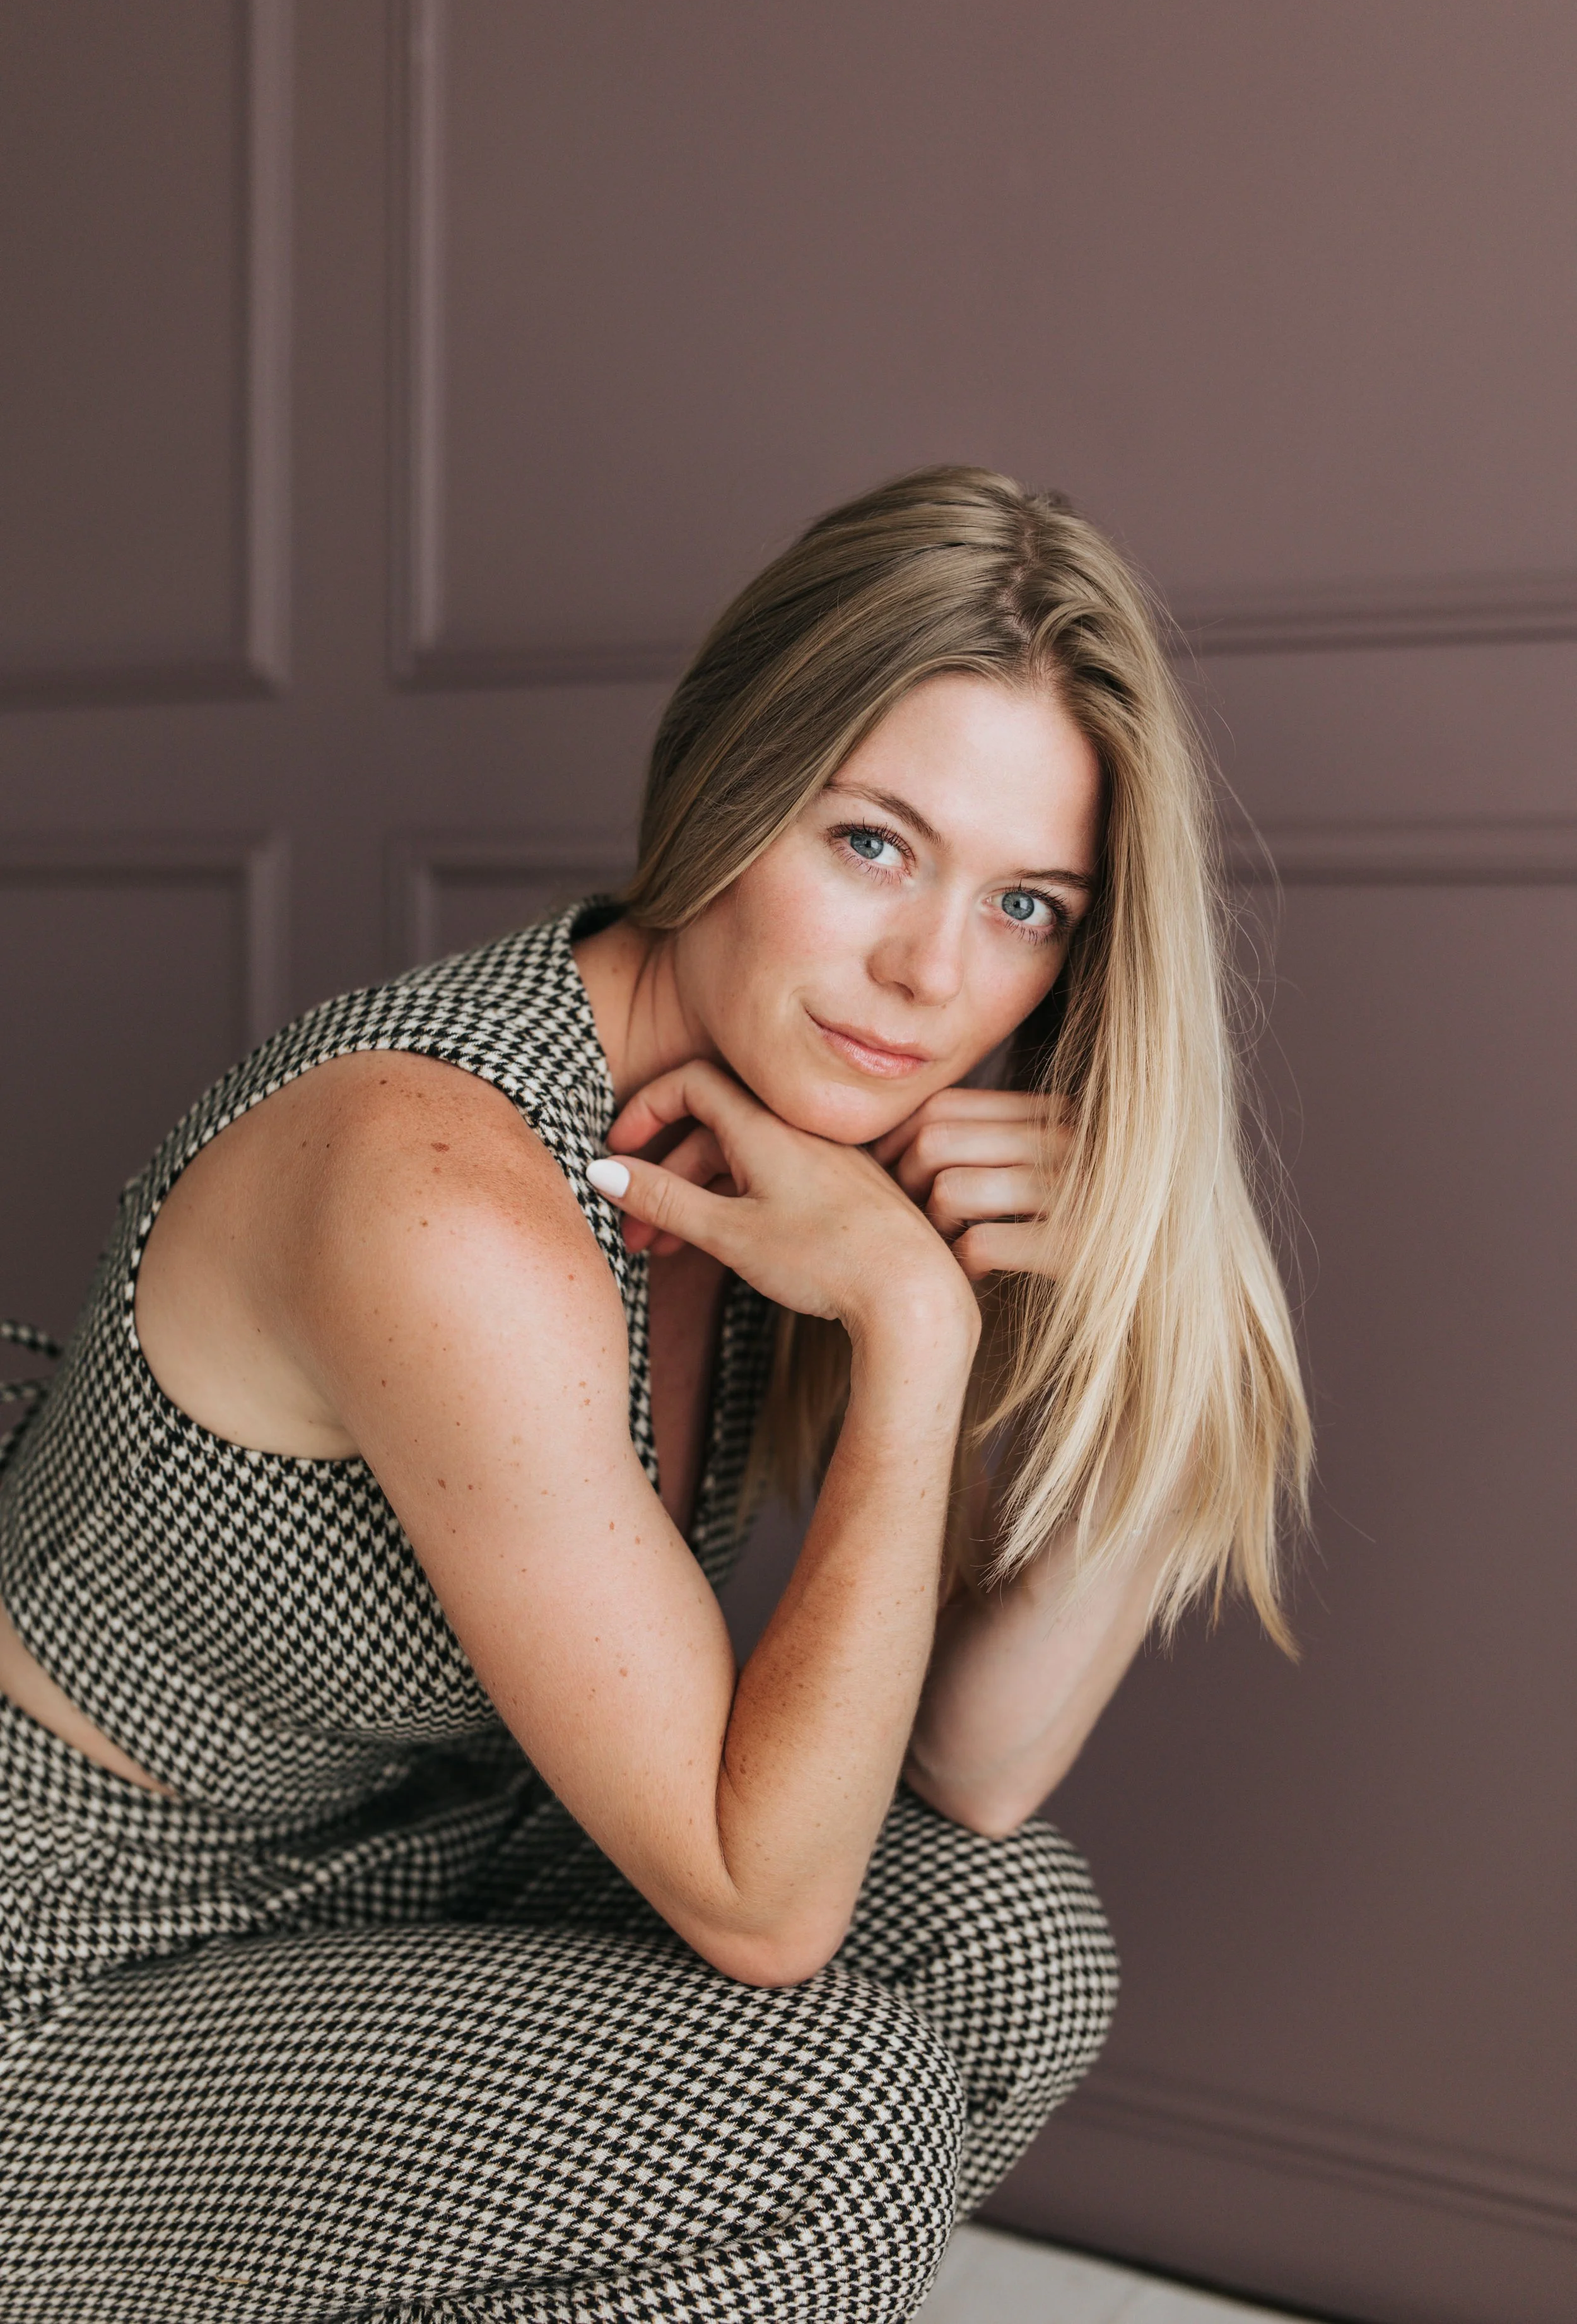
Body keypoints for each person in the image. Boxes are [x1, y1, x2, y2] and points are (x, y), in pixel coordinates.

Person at [0, 467, 1310, 2323]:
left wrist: (1148, 1321)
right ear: (726, 786)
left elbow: (969, 1770)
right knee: (818, 2121)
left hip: (407, 1884)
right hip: (65, 1974)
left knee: (1010, 1947)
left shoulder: (797, 1150)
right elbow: (761, 1903)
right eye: (871, 842)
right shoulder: (439, 1186)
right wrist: (917, 1344)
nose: (934, 975)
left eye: (1024, 903)